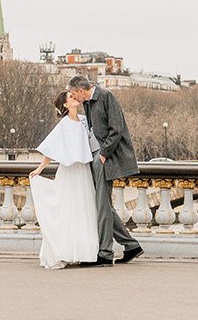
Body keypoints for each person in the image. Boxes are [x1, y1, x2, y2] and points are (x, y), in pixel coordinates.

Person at [67, 75, 143, 266]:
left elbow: (117, 128)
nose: (74, 97)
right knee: (103, 205)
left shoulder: (106, 96)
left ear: (80, 90)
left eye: (74, 93)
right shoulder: (89, 102)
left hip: (105, 157)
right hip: (97, 156)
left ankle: (105, 253)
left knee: (101, 205)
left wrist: (104, 153)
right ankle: (131, 245)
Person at [28, 90, 99, 269]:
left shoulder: (84, 120)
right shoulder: (63, 125)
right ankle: (66, 250)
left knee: (85, 209)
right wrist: (39, 169)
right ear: (66, 105)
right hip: (70, 171)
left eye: (74, 95)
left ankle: (85, 252)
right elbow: (50, 151)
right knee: (69, 210)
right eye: (71, 97)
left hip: (83, 170)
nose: (75, 97)